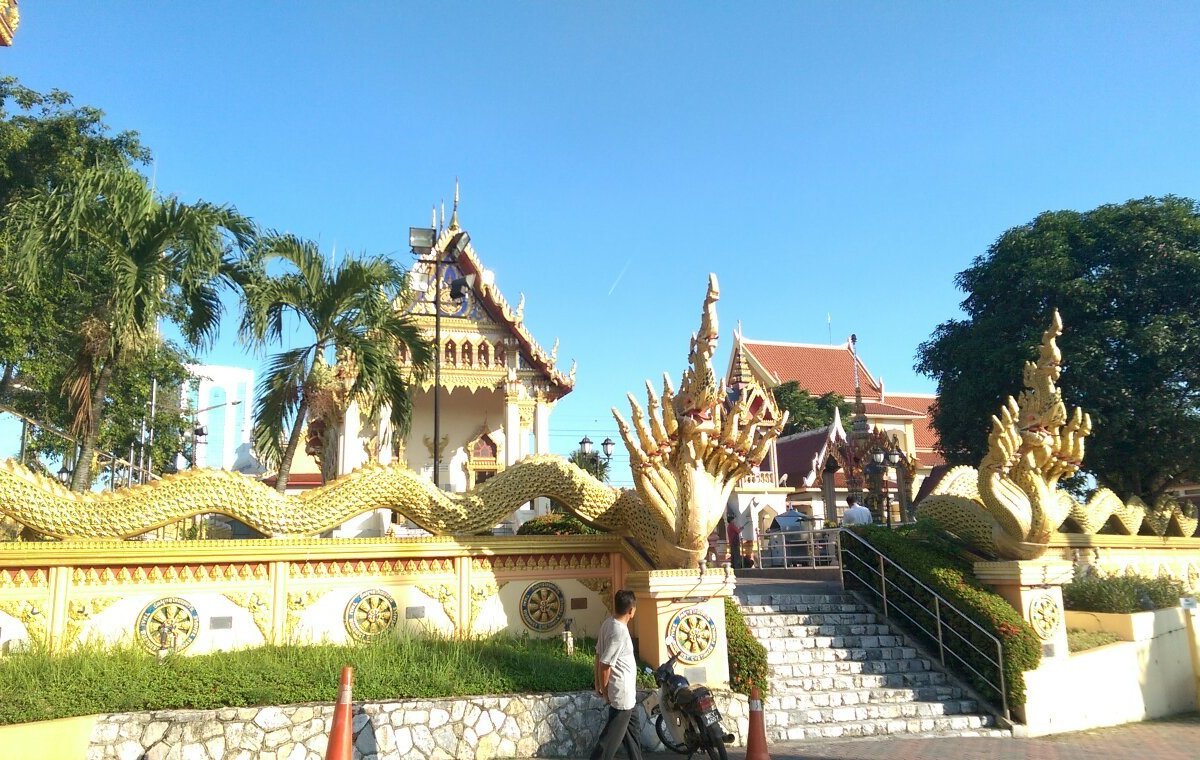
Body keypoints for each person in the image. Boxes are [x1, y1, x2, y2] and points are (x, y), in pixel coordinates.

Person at [590, 589, 643, 760]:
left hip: (628, 696)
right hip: (622, 695)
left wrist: (598, 684)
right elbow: (605, 664)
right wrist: (604, 690)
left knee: (632, 734)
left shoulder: (608, 623)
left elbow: (598, 655)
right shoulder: (619, 633)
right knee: (608, 743)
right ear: (631, 610)